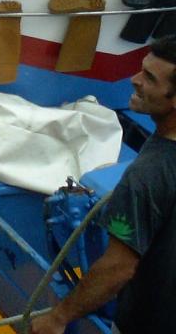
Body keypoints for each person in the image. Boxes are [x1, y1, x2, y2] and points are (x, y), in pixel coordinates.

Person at [31, 36, 176, 334]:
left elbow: (118, 268)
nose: (134, 80)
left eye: (149, 78)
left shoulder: (147, 176)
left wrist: (57, 318)